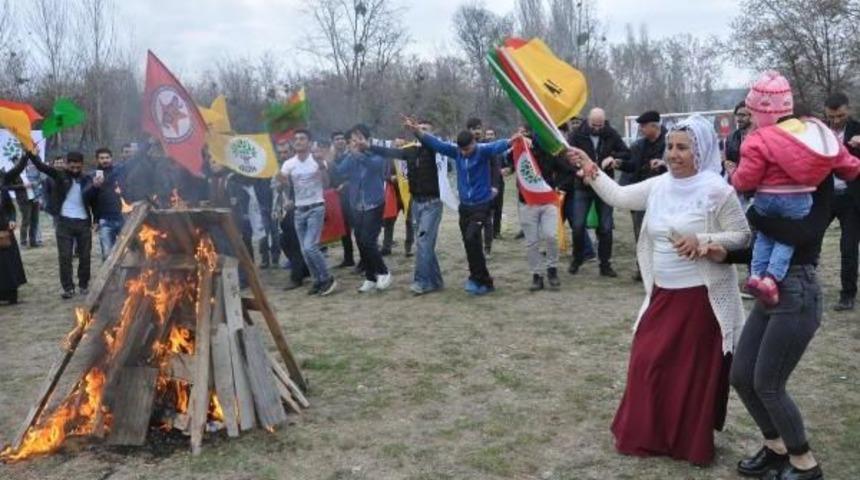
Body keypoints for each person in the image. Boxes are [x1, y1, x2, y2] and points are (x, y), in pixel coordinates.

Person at [569, 114, 751, 465]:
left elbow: (742, 236)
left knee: (687, 374)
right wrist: (591, 168)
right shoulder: (659, 185)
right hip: (663, 294)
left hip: (700, 299)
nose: (673, 154)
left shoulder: (717, 190)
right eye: (670, 146)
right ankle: (650, 434)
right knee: (646, 361)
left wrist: (703, 240)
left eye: (682, 148)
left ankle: (685, 441)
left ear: (700, 152)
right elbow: (619, 196)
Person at [708, 108, 837, 480]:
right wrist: (727, 255)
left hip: (797, 289)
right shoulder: (769, 178)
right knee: (742, 375)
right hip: (768, 289)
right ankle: (776, 447)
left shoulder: (820, 177)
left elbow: (801, 236)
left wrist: (756, 213)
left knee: (768, 383)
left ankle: (804, 463)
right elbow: (764, 239)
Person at [732, 72, 860, 306]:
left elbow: (746, 179)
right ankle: (771, 278)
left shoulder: (758, 138)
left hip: (767, 199)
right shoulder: (818, 135)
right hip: (798, 201)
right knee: (785, 240)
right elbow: (846, 164)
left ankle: (756, 275)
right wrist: (853, 169)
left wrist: (737, 182)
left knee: (765, 237)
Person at [405, 116, 518, 295]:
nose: (464, 153)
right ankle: (477, 278)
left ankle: (484, 280)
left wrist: (513, 140)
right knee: (469, 243)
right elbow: (436, 144)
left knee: (472, 238)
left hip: (481, 205)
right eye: (461, 150)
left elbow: (500, 145)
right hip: (465, 207)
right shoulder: (456, 152)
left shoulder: (483, 151)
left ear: (474, 143)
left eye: (467, 149)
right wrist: (417, 131)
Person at [371, 119, 445, 295]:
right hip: (416, 202)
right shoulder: (411, 151)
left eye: (426, 129)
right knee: (425, 244)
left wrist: (418, 132)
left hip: (432, 203)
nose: (422, 132)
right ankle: (435, 281)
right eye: (420, 129)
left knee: (423, 243)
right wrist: (369, 146)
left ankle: (422, 282)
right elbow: (391, 152)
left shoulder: (437, 150)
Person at [568, 107, 630, 277]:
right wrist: (579, 171)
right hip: (583, 185)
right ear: (588, 120)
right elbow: (567, 157)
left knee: (606, 227)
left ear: (604, 122)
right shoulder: (576, 134)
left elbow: (626, 152)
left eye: (600, 125)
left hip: (604, 185)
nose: (597, 128)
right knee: (578, 225)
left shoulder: (611, 133)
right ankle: (578, 258)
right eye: (594, 125)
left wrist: (614, 158)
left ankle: (605, 264)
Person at [333, 124, 392, 293]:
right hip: (356, 205)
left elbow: (374, 166)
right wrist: (332, 158)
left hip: (374, 204)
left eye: (359, 138)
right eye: (352, 139)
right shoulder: (351, 157)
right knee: (360, 241)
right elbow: (339, 171)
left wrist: (357, 154)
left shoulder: (376, 153)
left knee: (368, 240)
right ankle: (370, 277)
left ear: (367, 139)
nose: (355, 142)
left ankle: (384, 272)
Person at [278, 129, 337, 296]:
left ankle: (327, 278)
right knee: (304, 250)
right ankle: (317, 280)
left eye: (302, 138)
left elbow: (326, 184)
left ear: (309, 143)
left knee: (311, 247)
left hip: (316, 207)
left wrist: (321, 166)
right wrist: (280, 181)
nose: (298, 141)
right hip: (299, 210)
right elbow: (282, 186)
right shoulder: (288, 164)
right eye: (296, 139)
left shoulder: (316, 160)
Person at [29, 151, 94, 299]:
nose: (75, 170)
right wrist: (31, 153)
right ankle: (68, 288)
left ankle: (83, 285)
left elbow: (93, 199)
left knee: (85, 256)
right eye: (72, 167)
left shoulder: (87, 178)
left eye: (78, 167)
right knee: (65, 257)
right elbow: (41, 166)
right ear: (66, 164)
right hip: (64, 222)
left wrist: (95, 188)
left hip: (83, 222)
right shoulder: (59, 175)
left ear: (82, 165)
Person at [619, 110, 667, 281]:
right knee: (640, 233)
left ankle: (661, 268)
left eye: (644, 126)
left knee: (662, 233)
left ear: (654, 126)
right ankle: (642, 268)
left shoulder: (671, 143)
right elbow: (632, 166)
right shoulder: (639, 145)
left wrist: (664, 164)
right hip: (641, 195)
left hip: (663, 196)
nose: (641, 129)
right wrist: (619, 163)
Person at [516, 131, 567, 291]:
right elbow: (508, 161)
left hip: (548, 201)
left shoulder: (551, 151)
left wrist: (559, 186)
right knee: (532, 242)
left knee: (551, 236)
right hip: (527, 202)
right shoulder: (522, 149)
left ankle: (552, 270)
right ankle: (537, 275)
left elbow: (566, 169)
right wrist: (517, 143)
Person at [823, 92, 860, 311]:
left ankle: (847, 295)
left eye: (840, 116)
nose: (836, 120)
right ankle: (801, 288)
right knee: (808, 239)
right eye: (832, 116)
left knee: (848, 247)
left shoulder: (858, 129)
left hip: (851, 198)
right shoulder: (819, 132)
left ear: (849, 111)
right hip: (825, 196)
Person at [273, 139, 310, 290]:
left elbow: (307, 187)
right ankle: (304, 269)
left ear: (292, 151)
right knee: (284, 242)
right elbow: (275, 189)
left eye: (285, 152)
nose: (283, 155)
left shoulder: (299, 166)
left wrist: (294, 201)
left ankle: (296, 277)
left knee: (294, 243)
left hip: (300, 209)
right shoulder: (280, 168)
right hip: (284, 212)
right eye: (280, 152)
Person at [88, 148, 129, 260]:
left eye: (107, 157)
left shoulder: (119, 171)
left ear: (111, 158)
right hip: (105, 220)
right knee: (107, 255)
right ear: (97, 160)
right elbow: (89, 199)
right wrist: (94, 186)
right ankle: (111, 272)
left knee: (127, 252)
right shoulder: (92, 176)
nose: (105, 160)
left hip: (122, 217)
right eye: (102, 158)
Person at [0, 155, 29, 305]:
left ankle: (12, 295)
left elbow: (10, 208)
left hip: (5, 232)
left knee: (10, 264)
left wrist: (12, 219)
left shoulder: (2, 184)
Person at [329, 131, 357, 268]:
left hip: (352, 196)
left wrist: (345, 185)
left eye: (342, 138)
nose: (340, 141)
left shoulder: (351, 155)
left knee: (358, 230)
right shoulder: (331, 159)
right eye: (337, 139)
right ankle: (348, 258)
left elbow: (357, 175)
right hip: (337, 198)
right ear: (333, 142)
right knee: (344, 230)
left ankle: (365, 260)